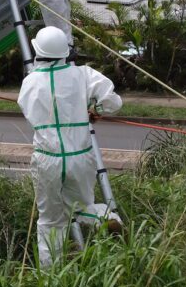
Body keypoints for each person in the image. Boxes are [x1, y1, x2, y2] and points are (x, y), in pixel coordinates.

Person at [17, 26, 124, 267]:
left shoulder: (30, 82)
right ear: (66, 52)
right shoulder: (83, 74)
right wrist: (96, 111)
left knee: (50, 220)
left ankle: (50, 275)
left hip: (47, 159)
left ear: (37, 51)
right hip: (80, 156)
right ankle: (103, 217)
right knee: (82, 204)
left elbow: (27, 110)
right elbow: (113, 101)